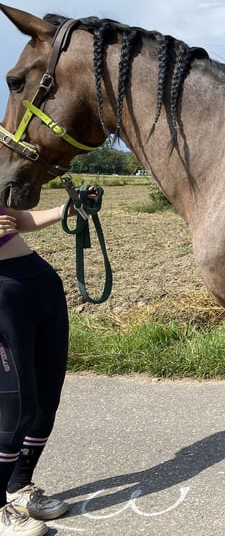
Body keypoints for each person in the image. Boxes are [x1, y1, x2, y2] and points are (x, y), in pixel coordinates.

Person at [0, 199, 82, 536]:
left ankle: (20, 486)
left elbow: (16, 219)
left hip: (39, 285)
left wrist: (68, 209)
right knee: (18, 405)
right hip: (3, 293)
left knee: (48, 397)